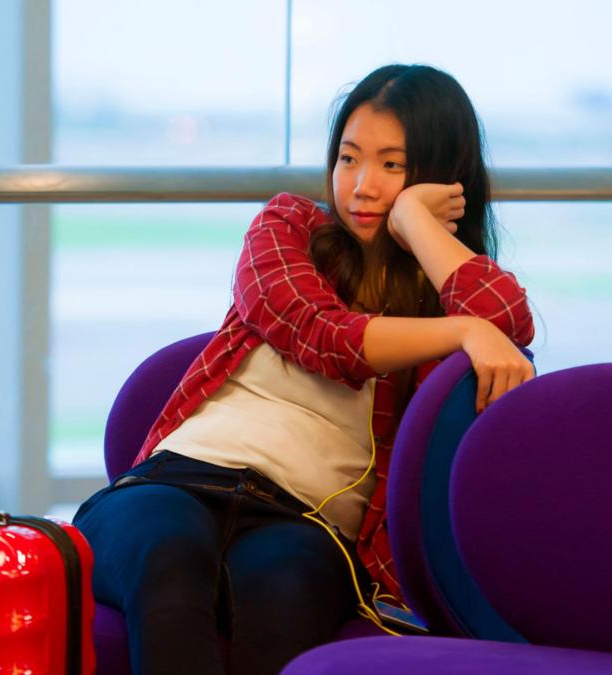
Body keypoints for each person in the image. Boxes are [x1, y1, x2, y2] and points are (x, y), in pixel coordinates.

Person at [73, 63, 535, 675]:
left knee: (282, 595)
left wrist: (417, 224)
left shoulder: (440, 289)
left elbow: (507, 326)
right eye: (349, 159)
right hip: (178, 480)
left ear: (442, 177)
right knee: (169, 554)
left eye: (392, 166)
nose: (362, 186)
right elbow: (322, 336)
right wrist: (461, 331)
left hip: (306, 520)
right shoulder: (287, 226)